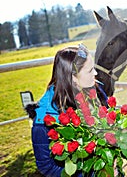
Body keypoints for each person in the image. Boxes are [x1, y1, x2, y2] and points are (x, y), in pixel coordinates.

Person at [27, 44, 108, 176]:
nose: (95, 73)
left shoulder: (97, 92)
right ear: (73, 77)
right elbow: (45, 166)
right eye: (90, 70)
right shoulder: (44, 120)